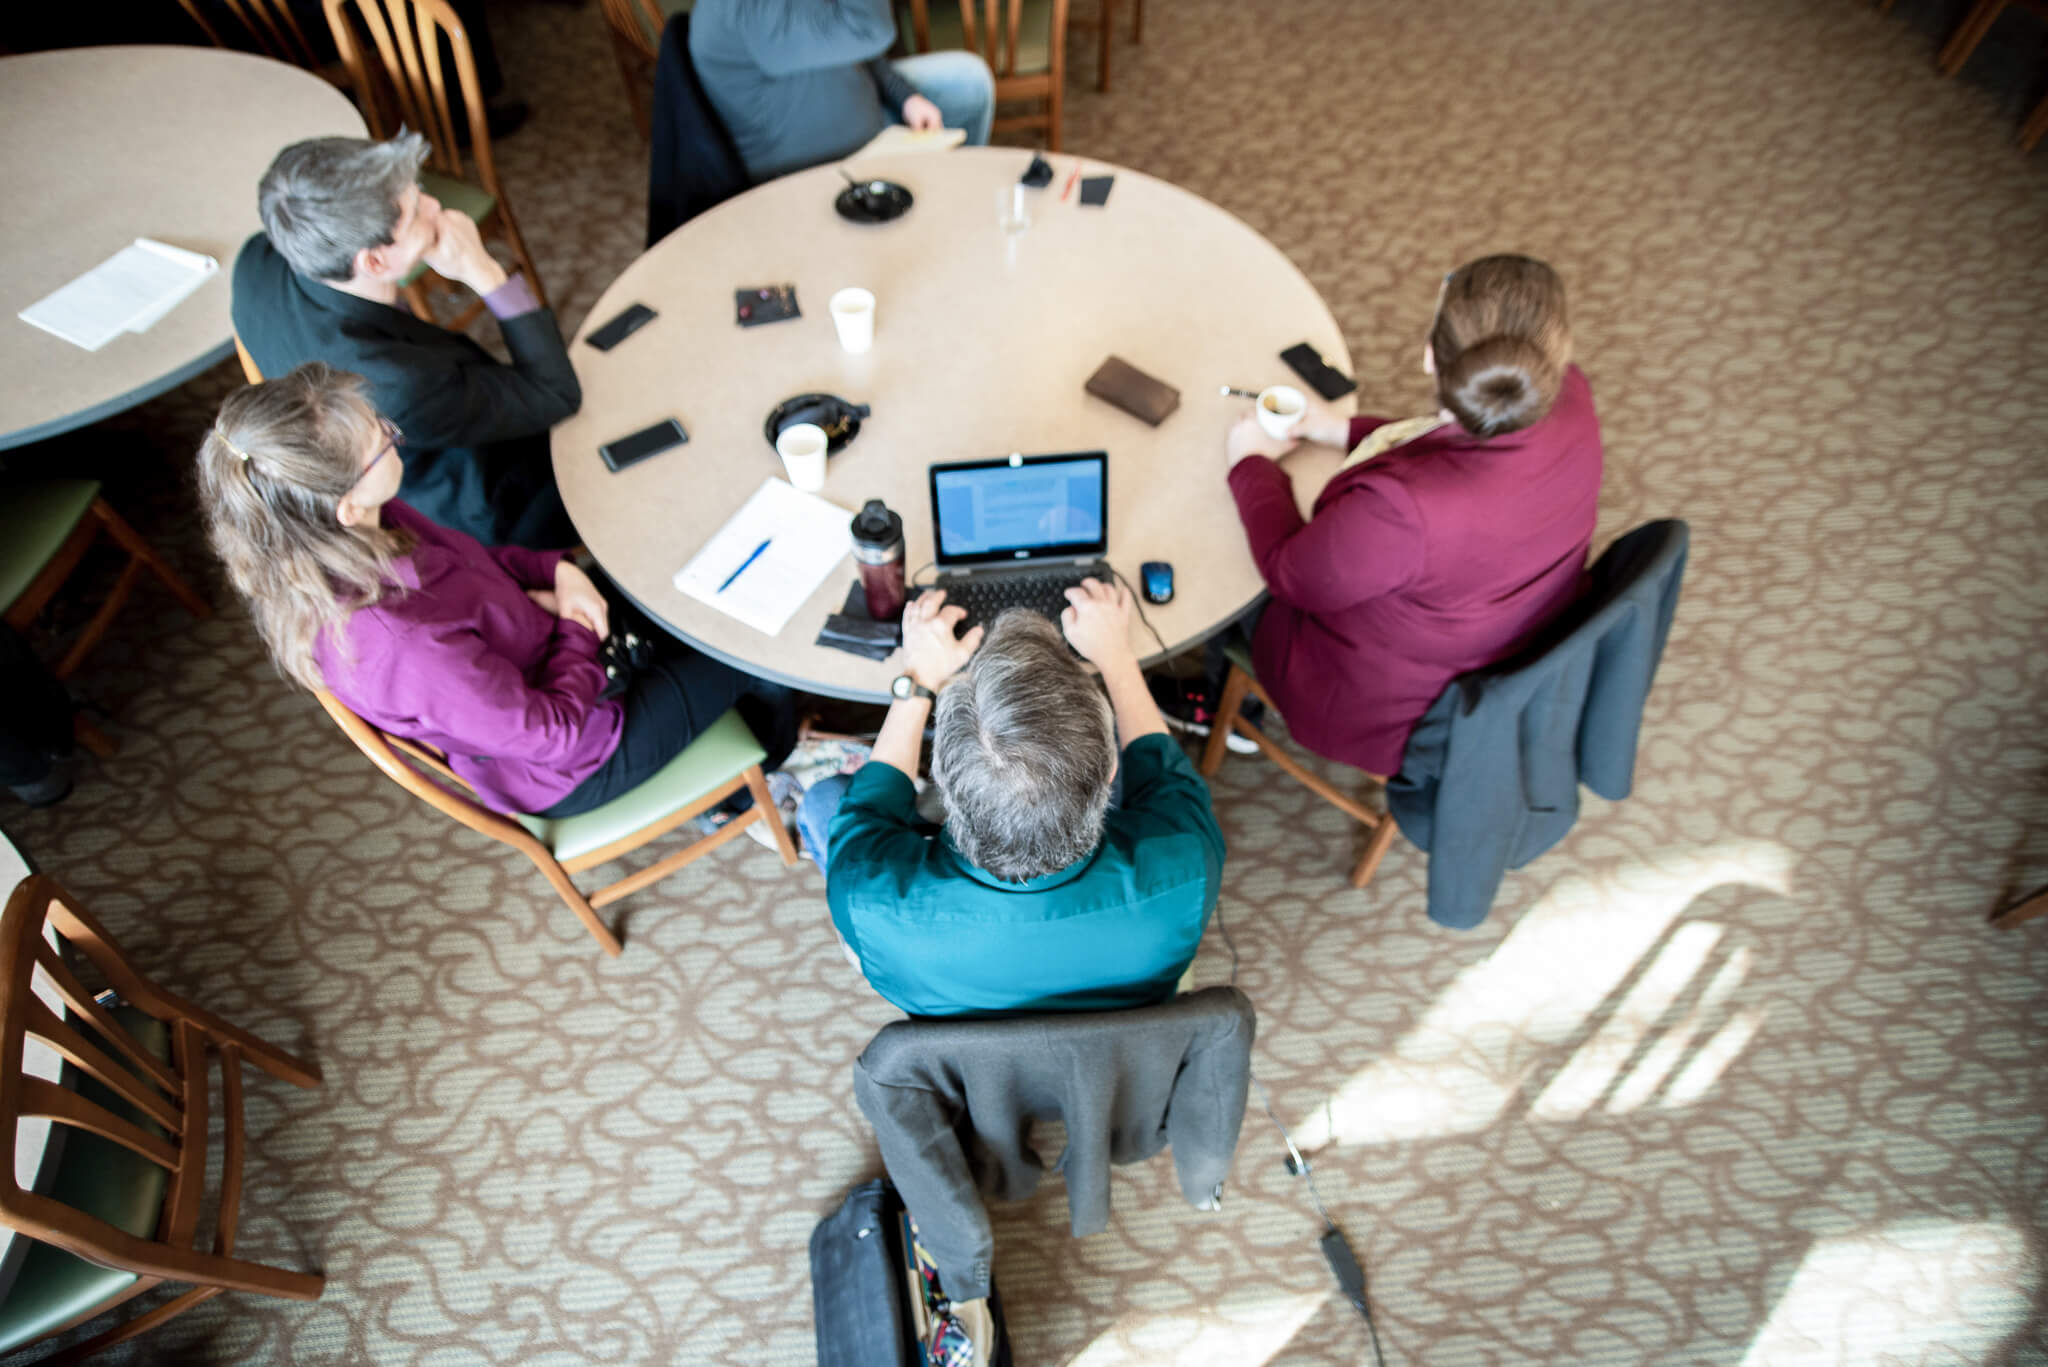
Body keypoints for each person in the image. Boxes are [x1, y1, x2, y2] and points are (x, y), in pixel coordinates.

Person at [196, 363, 795, 822]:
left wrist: (554, 573)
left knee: (689, 568)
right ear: (345, 505)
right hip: (578, 753)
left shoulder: (362, 522)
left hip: (555, 651)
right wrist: (578, 628)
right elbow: (552, 732)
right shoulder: (401, 648)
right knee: (752, 645)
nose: (391, 433)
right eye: (380, 439)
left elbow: (478, 564)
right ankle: (772, 763)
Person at [1221, 253, 1604, 778]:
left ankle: (1216, 700)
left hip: (1380, 704)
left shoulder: (1401, 510)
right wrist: (1341, 430)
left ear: (1429, 357)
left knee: (1222, 578)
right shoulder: (1567, 396)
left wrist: (1251, 464)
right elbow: (1467, 428)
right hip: (1503, 635)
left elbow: (1294, 575)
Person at [798, 586, 1226, 1018]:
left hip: (934, 984)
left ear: (940, 780)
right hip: (1123, 1014)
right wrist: (1116, 658)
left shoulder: (868, 903)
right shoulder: (1187, 869)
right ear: (1112, 770)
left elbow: (870, 807)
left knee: (822, 803)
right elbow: (1162, 772)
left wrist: (919, 677)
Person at [231, 132, 578, 551]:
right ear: (374, 261)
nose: (436, 206)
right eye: (416, 211)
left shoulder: (255, 260)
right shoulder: (399, 385)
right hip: (491, 505)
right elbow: (556, 394)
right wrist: (484, 271)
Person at [689, 0, 996, 182]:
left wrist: (906, 96)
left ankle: (949, 195)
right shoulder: (748, 11)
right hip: (814, 169)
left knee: (969, 81)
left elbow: (848, 44)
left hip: (874, 120)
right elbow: (868, 29)